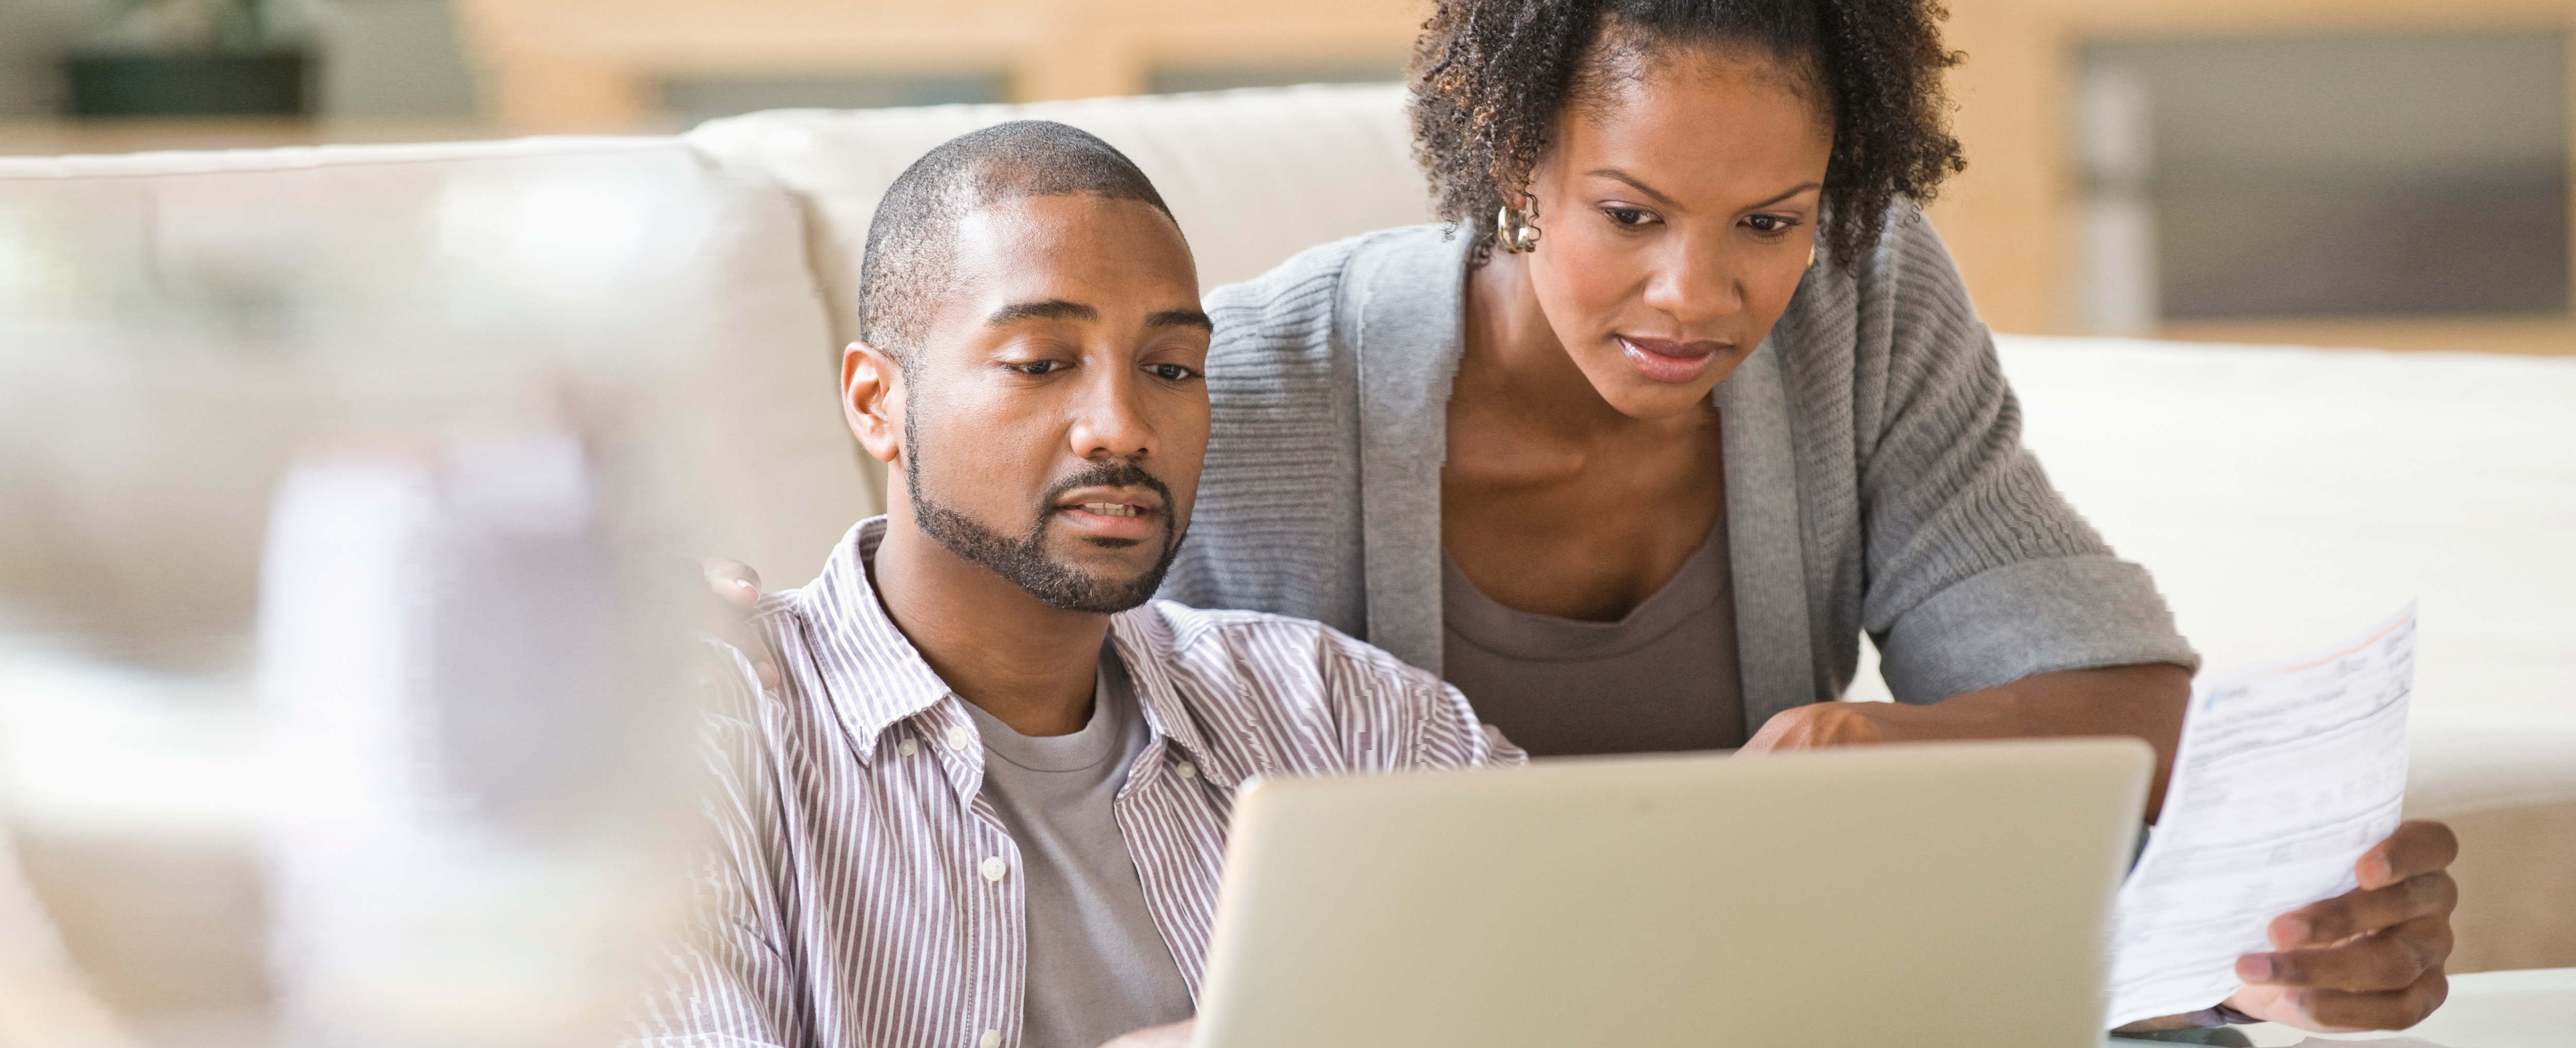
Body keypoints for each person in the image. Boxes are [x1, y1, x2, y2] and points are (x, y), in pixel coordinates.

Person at [709, 0, 2460, 1035]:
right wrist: (735, 654)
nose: (1701, 293)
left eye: (1770, 220)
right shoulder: (1232, 413)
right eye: (1631, 211)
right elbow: (1002, 609)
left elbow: (2110, 700)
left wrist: (2229, 956)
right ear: (1512, 165)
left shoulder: (1331, 702)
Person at [638, 121, 1519, 1048]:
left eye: (1171, 369)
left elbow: (1609, 979)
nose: (1122, 427)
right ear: (877, 403)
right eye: (1042, 364)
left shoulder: (1347, 718)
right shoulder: (691, 739)